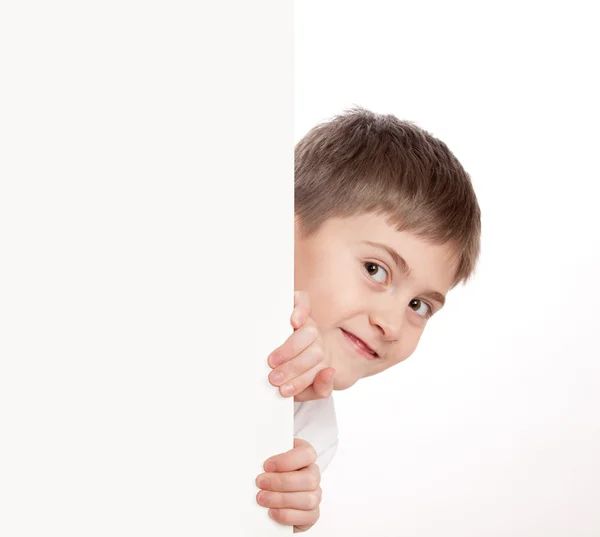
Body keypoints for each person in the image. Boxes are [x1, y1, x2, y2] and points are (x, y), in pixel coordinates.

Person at [255, 107, 482, 532]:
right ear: (284, 232)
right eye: (375, 270)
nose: (391, 325)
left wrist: (285, 505)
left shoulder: (314, 431)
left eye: (420, 306)